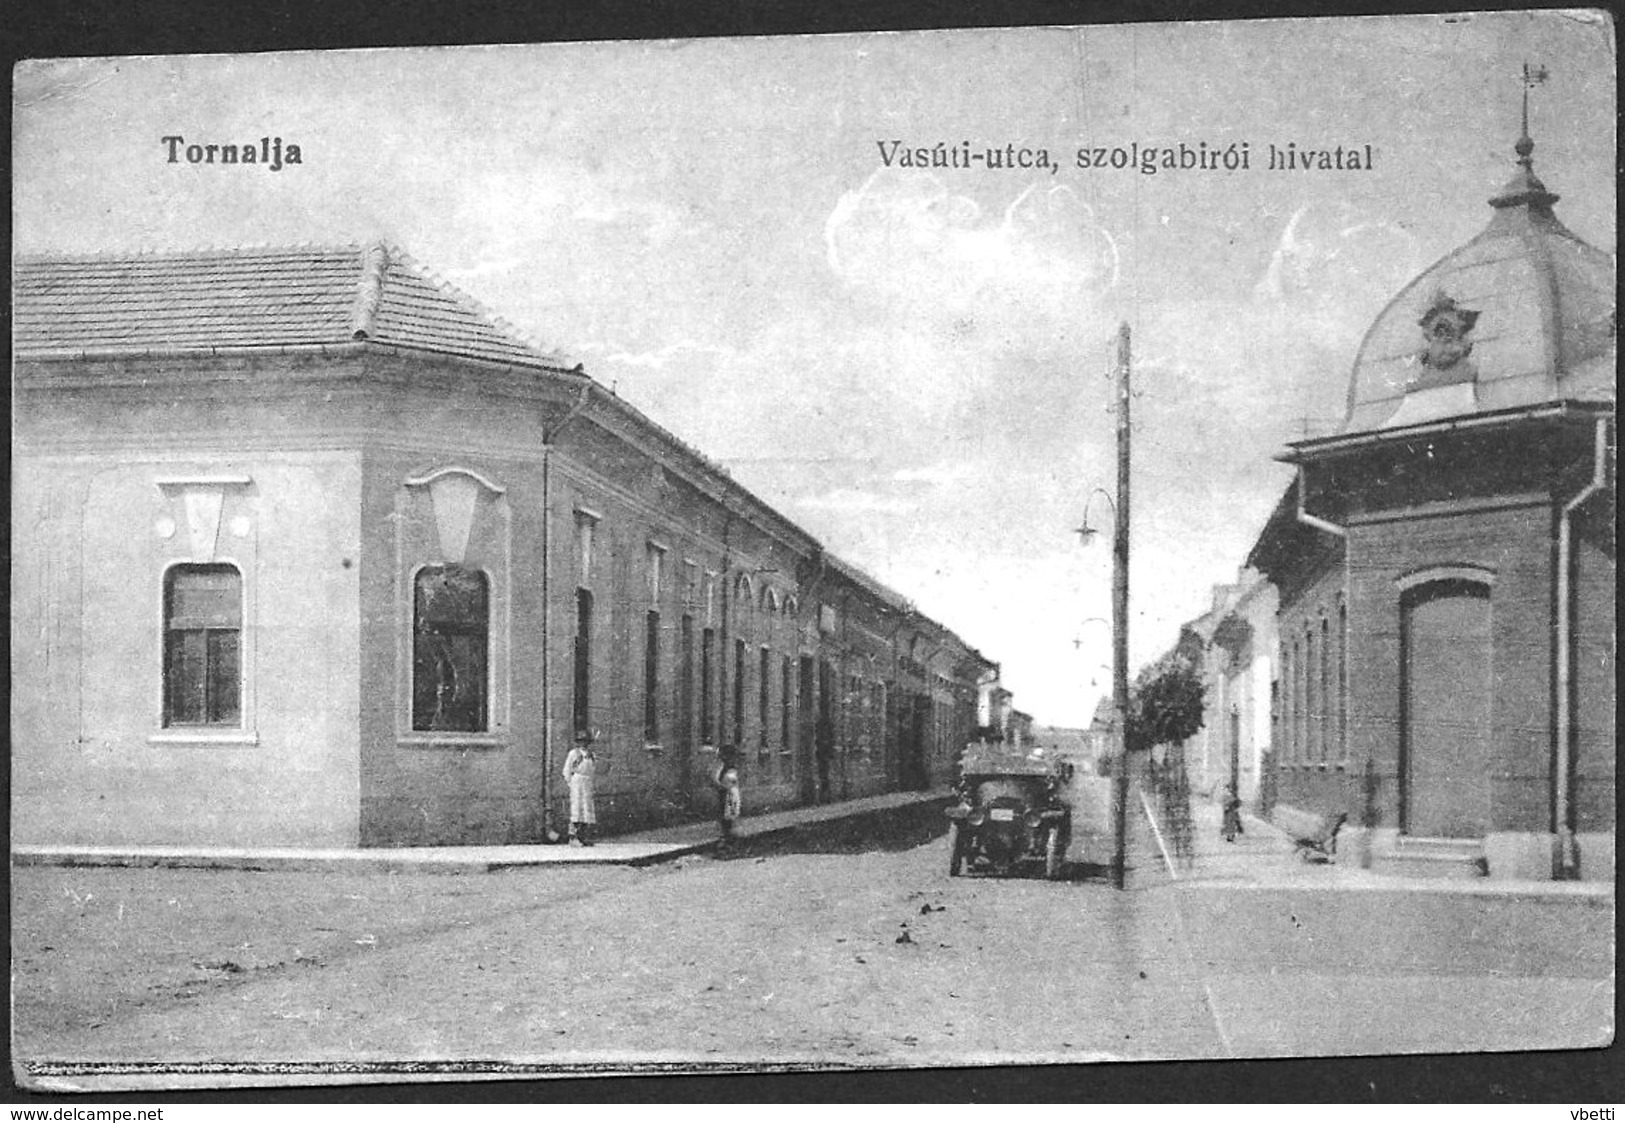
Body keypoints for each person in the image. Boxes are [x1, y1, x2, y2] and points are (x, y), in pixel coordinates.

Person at [562, 732, 598, 846]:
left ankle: (584, 836)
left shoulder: (591, 755)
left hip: (587, 783)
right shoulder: (574, 753)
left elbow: (592, 770)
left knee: (586, 808)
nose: (584, 743)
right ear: (578, 742)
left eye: (586, 741)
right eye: (581, 741)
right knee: (577, 808)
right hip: (577, 782)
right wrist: (571, 782)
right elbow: (567, 769)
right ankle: (573, 838)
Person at [715, 744, 742, 846]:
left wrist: (722, 786)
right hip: (725, 793)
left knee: (728, 815)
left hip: (729, 794)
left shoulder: (729, 769)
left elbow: (731, 782)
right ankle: (727, 837)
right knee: (725, 815)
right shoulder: (724, 767)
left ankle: (728, 838)